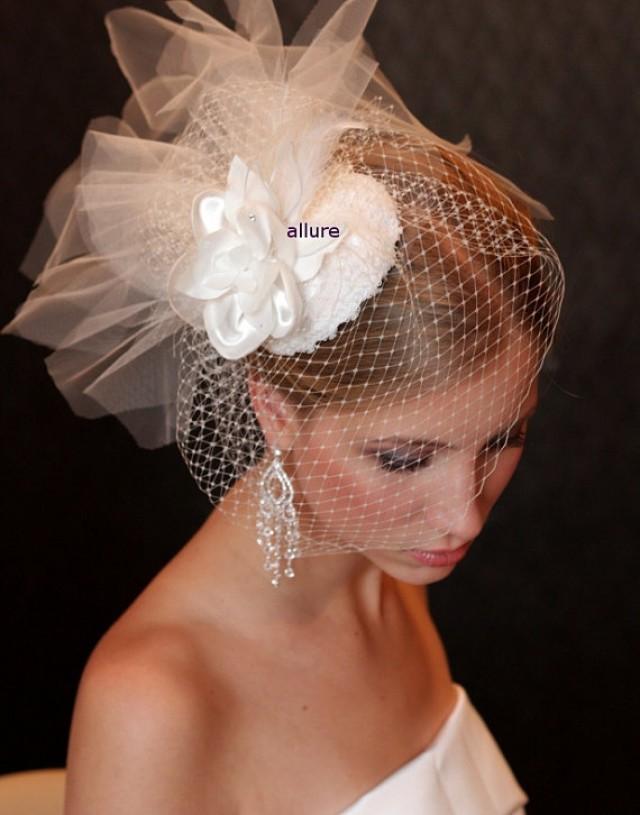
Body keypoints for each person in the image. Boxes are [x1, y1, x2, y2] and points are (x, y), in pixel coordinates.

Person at [1, 1, 565, 812]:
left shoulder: (385, 573)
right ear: (273, 410)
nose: (464, 515)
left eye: (504, 439)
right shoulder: (155, 702)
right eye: (404, 457)